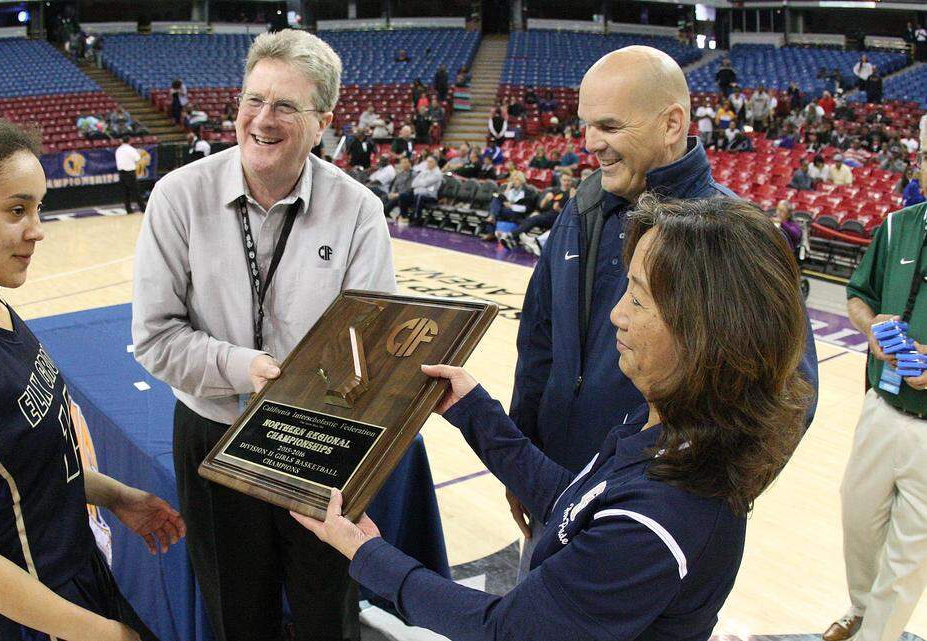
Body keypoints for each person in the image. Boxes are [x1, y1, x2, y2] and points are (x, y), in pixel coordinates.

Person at [295, 195, 812, 641]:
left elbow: (505, 630)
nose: (617, 314)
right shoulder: (670, 427)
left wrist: (368, 555)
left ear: (704, 332)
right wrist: (472, 410)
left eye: (638, 297)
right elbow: (575, 507)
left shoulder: (661, 522)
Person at [500, 45, 820, 577]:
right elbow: (538, 343)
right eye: (584, 125)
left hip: (643, 525)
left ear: (672, 123)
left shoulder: (730, 234)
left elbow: (791, 393)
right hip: (553, 490)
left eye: (607, 125)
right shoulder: (580, 210)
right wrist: (520, 461)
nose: (589, 144)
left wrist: (698, 509)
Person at [131, 30, 395, 641]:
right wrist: (241, 367)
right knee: (236, 616)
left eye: (285, 106)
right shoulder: (179, 196)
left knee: (328, 612)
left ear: (323, 121)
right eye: (254, 100)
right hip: (215, 434)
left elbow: (372, 348)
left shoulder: (357, 211)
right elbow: (154, 336)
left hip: (321, 444)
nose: (262, 119)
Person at [0, 99, 180, 641]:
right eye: (16, 210)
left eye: (39, 209)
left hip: (74, 580)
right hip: (22, 616)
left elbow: (31, 472)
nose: (37, 230)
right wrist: (105, 635)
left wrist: (118, 497)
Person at [825, 126, 927, 641]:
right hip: (883, 404)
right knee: (858, 516)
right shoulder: (896, 228)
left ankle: (877, 636)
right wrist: (872, 329)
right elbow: (857, 295)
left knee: (911, 549)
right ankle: (863, 609)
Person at [404, 155, 441, 224]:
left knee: (419, 196)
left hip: (431, 196)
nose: (428, 163)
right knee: (404, 196)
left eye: (431, 162)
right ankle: (404, 216)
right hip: (419, 193)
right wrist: (421, 184)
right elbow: (414, 183)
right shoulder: (425, 171)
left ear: (435, 163)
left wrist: (420, 183)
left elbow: (425, 184)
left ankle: (417, 218)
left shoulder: (437, 174)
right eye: (428, 162)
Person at [115, 135, 144, 214]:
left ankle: (128, 210)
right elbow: (137, 158)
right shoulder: (131, 149)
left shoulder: (118, 150)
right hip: (129, 172)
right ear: (129, 141)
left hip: (121, 173)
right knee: (136, 191)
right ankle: (143, 208)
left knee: (125, 192)